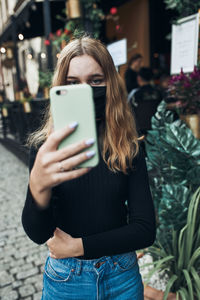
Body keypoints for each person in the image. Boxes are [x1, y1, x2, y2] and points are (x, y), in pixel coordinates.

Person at [22, 36, 156, 300]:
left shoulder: (129, 145)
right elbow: (38, 234)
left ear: (110, 83)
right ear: (61, 87)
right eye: (73, 84)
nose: (85, 90)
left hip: (122, 278)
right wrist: (37, 186)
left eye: (96, 81)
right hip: (66, 281)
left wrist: (78, 246)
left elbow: (144, 229)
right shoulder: (45, 149)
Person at [129, 67, 162, 135]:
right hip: (155, 130)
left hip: (140, 131)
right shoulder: (158, 92)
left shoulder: (136, 94)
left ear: (139, 78)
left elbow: (128, 111)